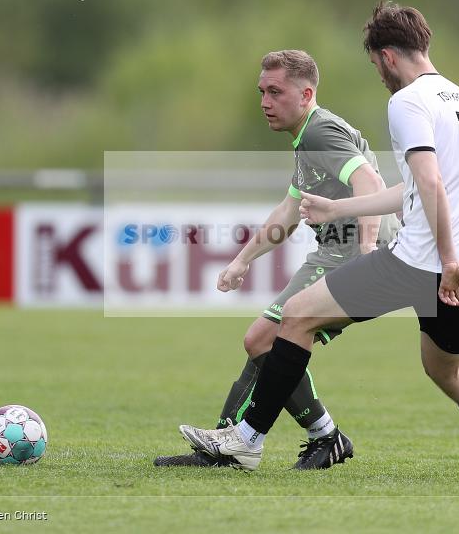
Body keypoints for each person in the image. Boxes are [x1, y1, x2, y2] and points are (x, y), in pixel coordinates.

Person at [179, 0, 459, 483]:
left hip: (423, 262)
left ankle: (249, 441)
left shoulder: (406, 101)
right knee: (449, 372)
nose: (380, 75)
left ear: (386, 56)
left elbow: (430, 184)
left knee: (295, 317)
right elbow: (417, 186)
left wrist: (443, 258)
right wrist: (338, 209)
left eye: (375, 65)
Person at [155, 49, 399, 469]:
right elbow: (288, 212)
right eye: (261, 92)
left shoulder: (321, 134)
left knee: (261, 339)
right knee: (267, 341)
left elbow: (371, 182)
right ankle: (252, 443)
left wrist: (364, 255)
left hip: (348, 255)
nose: (265, 101)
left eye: (275, 92)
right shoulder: (308, 139)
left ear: (306, 94)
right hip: (337, 253)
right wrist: (242, 261)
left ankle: (268, 442)